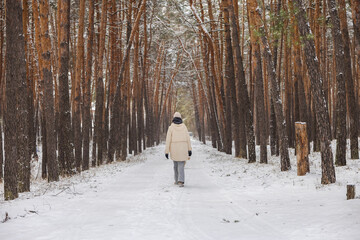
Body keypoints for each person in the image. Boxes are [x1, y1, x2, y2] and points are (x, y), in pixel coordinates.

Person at [165, 112, 192, 187]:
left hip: (174, 149)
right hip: (183, 148)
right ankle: (181, 181)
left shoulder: (171, 127)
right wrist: (189, 149)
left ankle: (176, 180)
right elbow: (188, 139)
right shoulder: (184, 127)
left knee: (175, 165)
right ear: (180, 118)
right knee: (181, 165)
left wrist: (166, 151)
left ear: (173, 118)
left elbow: (168, 140)